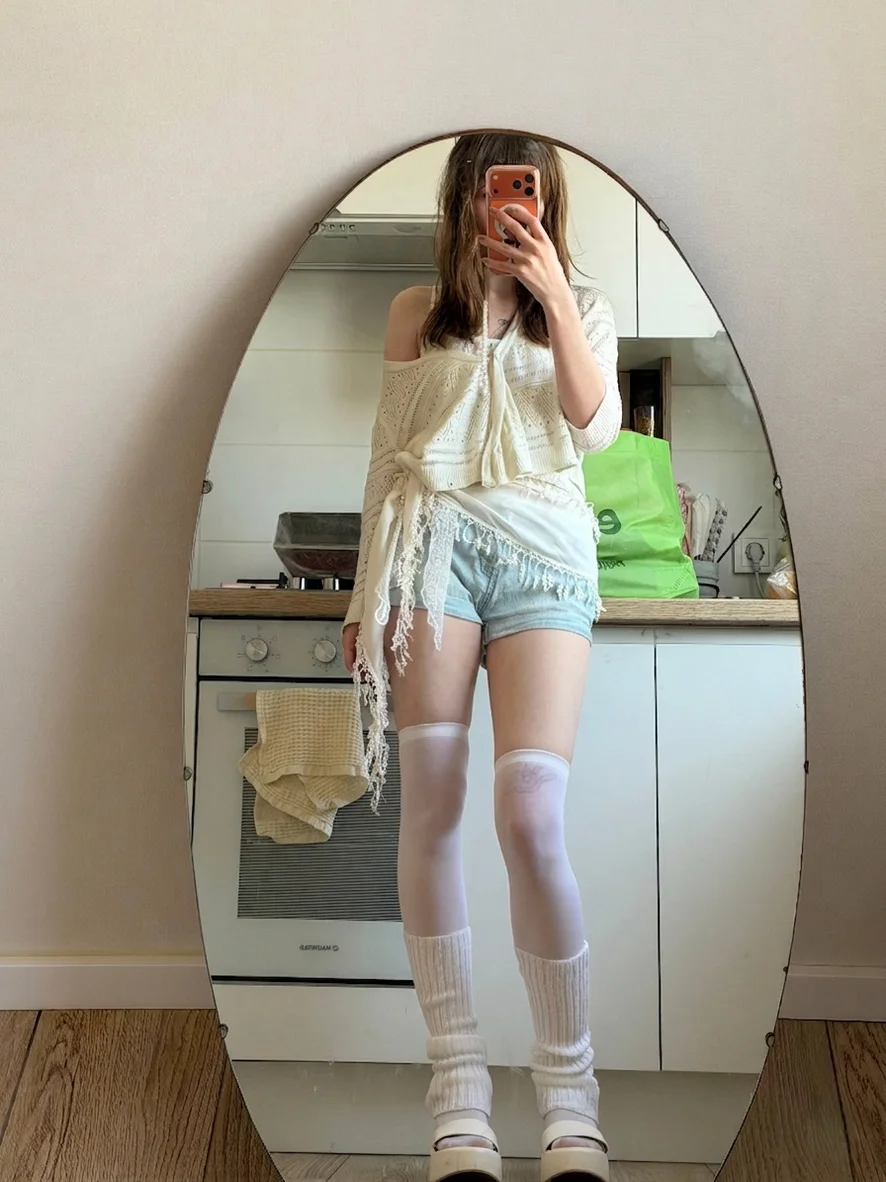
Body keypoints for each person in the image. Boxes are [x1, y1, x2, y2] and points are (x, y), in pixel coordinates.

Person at [342, 133, 621, 1182]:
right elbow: (387, 456)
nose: (503, 210)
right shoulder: (417, 314)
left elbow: (594, 425)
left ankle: (571, 1102)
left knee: (531, 815)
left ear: (546, 204)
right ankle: (457, 1096)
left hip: (545, 562)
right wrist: (366, 593)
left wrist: (548, 293)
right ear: (461, 199)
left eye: (523, 195)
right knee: (431, 805)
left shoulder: (580, 307)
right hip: (430, 554)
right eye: (488, 193)